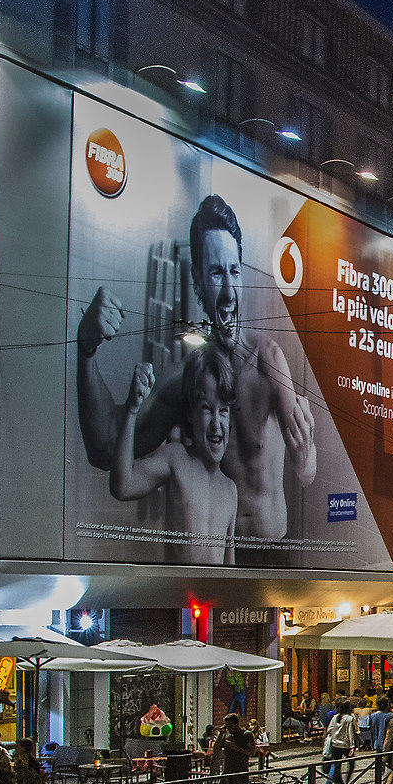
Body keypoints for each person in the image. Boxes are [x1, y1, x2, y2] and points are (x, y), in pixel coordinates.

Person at [75, 193, 319, 545]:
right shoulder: (187, 378)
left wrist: (305, 453)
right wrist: (86, 351)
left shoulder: (267, 359)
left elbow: (307, 472)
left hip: (269, 555)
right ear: (198, 281)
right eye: (217, 273)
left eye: (234, 271)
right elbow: (103, 449)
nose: (228, 292)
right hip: (215, 559)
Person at [107, 360, 238, 564]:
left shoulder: (231, 489)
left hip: (215, 593)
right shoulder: (177, 459)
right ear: (190, 415)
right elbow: (122, 487)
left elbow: (230, 565)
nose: (216, 423)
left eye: (223, 411)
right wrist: (132, 410)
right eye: (206, 409)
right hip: (180, 590)